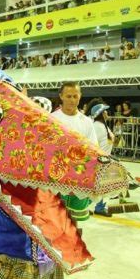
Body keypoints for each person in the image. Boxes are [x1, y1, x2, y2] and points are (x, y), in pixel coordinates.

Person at [52, 82, 98, 222]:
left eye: (75, 96)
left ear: (80, 97)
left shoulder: (86, 122)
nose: (72, 100)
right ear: (61, 96)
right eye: (68, 96)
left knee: (75, 220)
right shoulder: (52, 119)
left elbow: (93, 148)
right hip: (57, 177)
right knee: (56, 218)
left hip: (79, 177)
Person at [90, 104, 114, 216]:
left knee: (100, 185)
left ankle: (98, 206)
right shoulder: (97, 126)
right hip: (99, 161)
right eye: (105, 112)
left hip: (105, 159)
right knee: (99, 185)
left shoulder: (102, 126)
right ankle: (98, 207)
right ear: (101, 113)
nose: (107, 113)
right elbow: (93, 144)